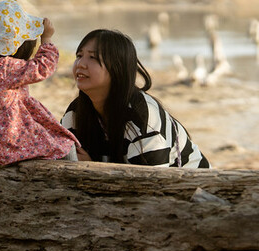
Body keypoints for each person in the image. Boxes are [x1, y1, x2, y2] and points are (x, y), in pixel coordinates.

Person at [61, 29, 210, 167]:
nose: (80, 64)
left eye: (92, 57)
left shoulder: (143, 117)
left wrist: (91, 168)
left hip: (193, 189)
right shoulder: (75, 112)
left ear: (117, 68)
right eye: (79, 56)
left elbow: (153, 185)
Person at [0, 0, 79, 165]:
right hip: (12, 139)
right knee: (65, 146)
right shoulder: (4, 67)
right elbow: (44, 66)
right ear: (20, 44)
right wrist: (46, 38)